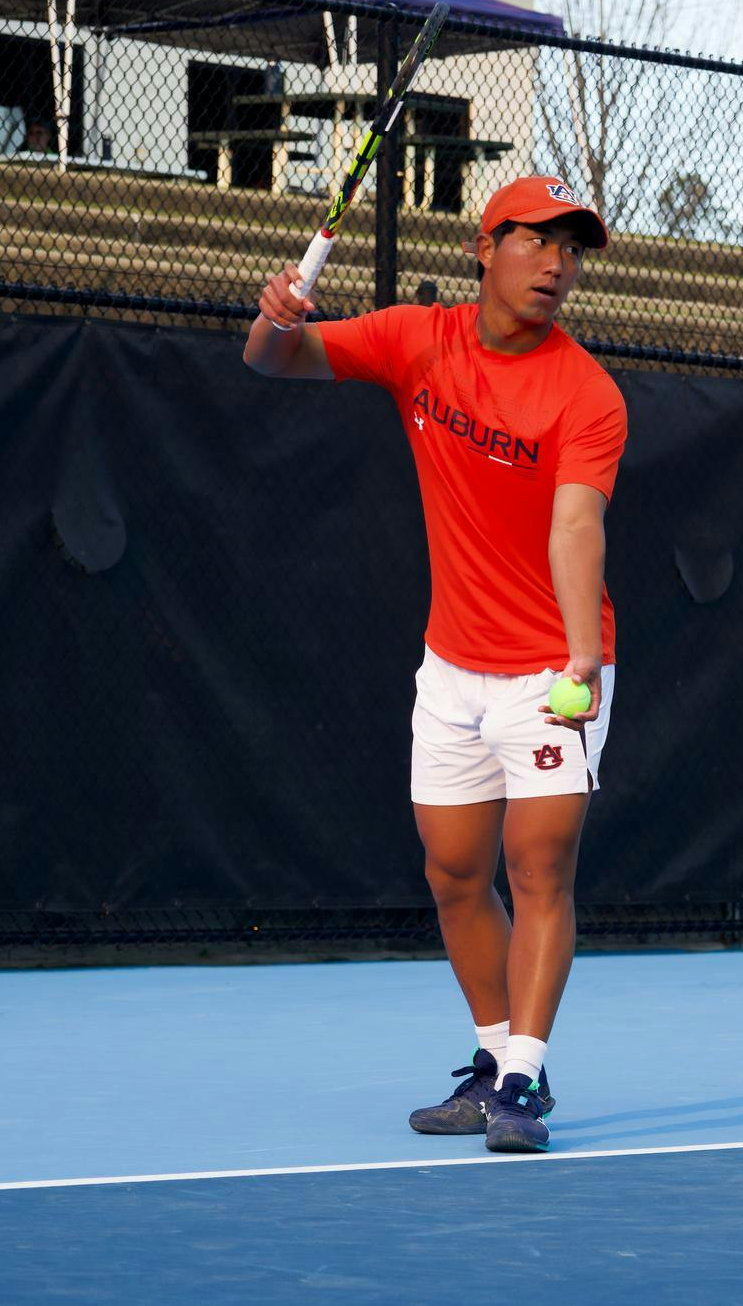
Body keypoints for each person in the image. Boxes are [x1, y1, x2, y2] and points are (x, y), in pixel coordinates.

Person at [243, 177, 625, 1156]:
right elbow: (274, 362)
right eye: (536, 242)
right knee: (453, 873)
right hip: (450, 668)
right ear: (482, 246)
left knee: (535, 868)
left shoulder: (586, 393)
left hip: (553, 667)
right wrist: (275, 315)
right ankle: (490, 1057)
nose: (555, 266)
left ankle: (526, 1083)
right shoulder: (421, 339)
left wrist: (581, 647)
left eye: (570, 250)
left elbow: (575, 521)